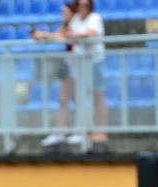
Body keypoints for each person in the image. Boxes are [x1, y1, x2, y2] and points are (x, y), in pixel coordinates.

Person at [35, 0, 108, 146]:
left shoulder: (95, 18)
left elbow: (89, 34)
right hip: (77, 65)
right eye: (80, 5)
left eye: (85, 5)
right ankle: (71, 131)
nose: (82, 8)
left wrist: (74, 36)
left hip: (93, 63)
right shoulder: (75, 20)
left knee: (96, 97)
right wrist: (43, 35)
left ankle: (100, 131)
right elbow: (63, 35)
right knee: (70, 98)